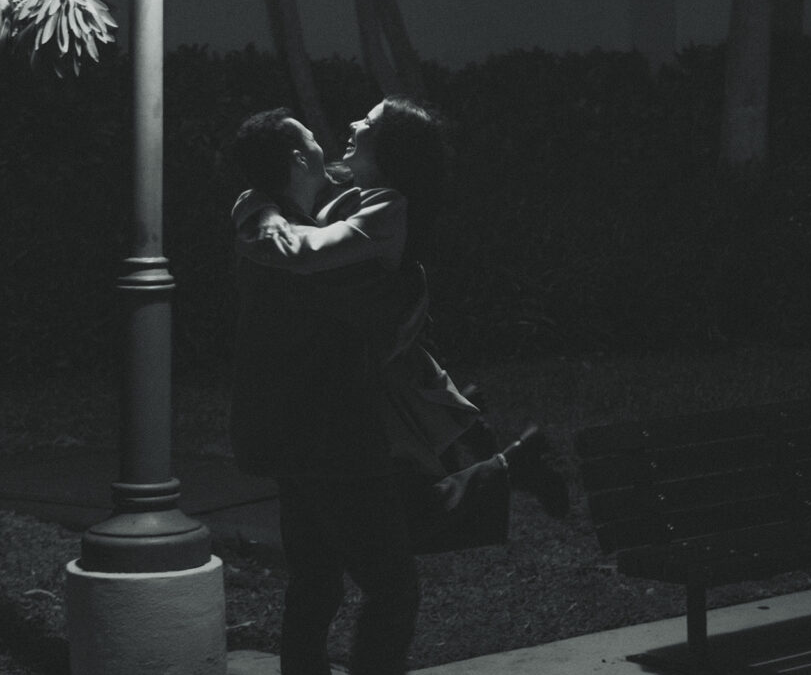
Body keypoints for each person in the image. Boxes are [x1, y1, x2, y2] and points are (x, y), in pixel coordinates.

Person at [232, 96, 569, 552]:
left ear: (389, 147)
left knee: (395, 524)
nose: (350, 122)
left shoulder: (388, 207)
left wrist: (266, 223)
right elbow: (264, 189)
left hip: (369, 387)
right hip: (357, 384)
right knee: (380, 521)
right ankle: (505, 459)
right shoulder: (350, 190)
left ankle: (510, 464)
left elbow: (305, 253)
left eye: (367, 120)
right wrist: (264, 208)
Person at [226, 107, 421, 675]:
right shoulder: (262, 216)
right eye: (311, 140)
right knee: (390, 586)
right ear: (294, 161)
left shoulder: (313, 213)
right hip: (331, 439)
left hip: (306, 438)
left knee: (313, 593)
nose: (328, 138)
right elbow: (343, 290)